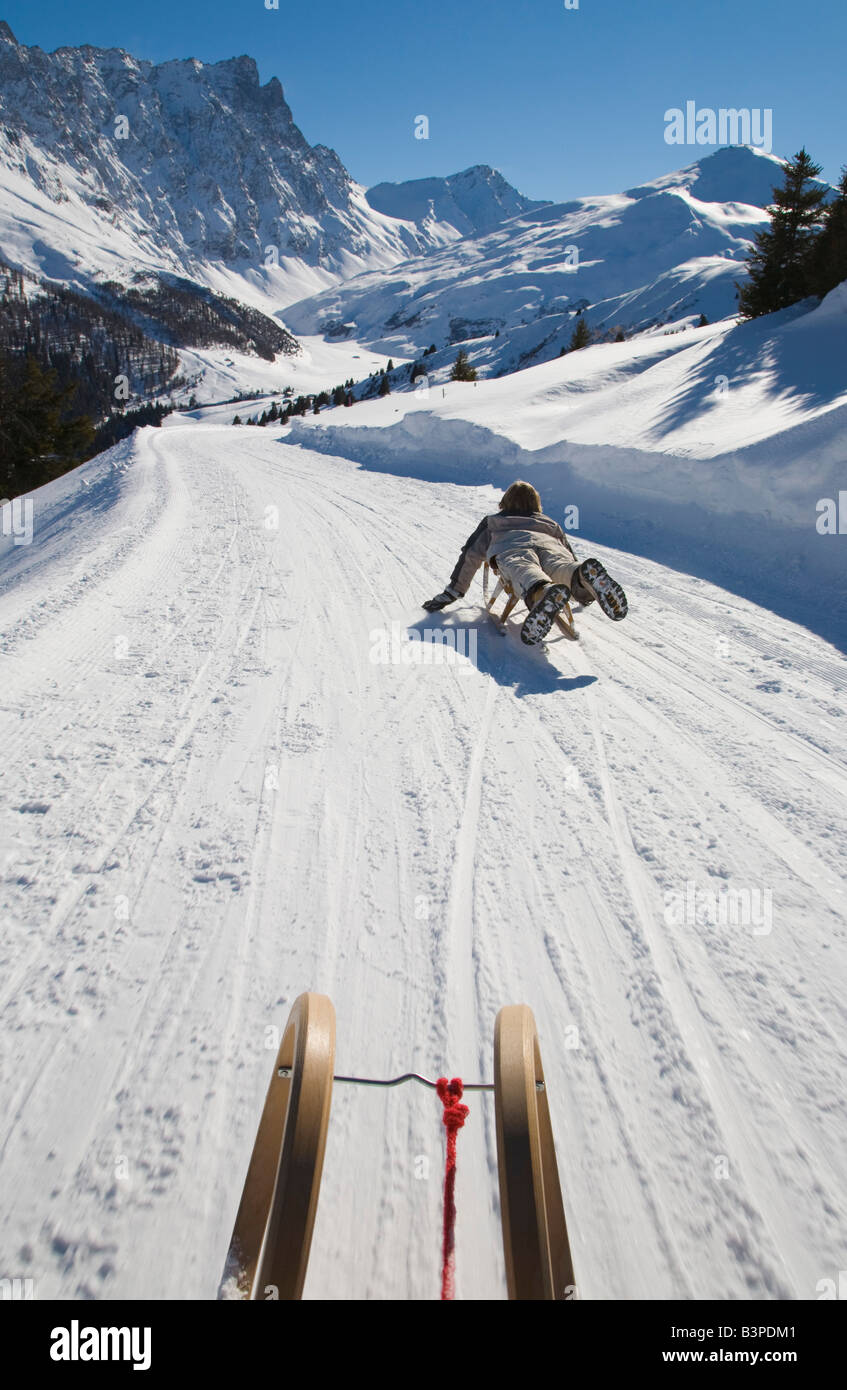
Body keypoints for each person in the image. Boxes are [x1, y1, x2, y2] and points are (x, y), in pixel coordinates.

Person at [422, 480, 627, 645]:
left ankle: (541, 592)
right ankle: (581, 576)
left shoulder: (493, 522)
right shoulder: (550, 523)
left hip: (511, 546)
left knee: (523, 567)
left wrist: (453, 592)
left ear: (505, 501)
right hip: (550, 544)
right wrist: (580, 589)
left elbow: (471, 555)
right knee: (560, 565)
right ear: (535, 503)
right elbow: (567, 553)